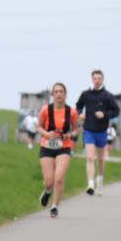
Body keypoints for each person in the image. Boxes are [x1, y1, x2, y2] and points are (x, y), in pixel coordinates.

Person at [75, 69, 120, 196]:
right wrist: (80, 114)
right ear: (92, 79)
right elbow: (78, 106)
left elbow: (116, 111)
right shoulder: (85, 94)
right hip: (88, 129)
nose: (97, 80)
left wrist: (104, 114)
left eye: (99, 78)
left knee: (100, 159)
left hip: (101, 131)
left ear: (102, 80)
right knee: (90, 157)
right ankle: (90, 184)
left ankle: (99, 181)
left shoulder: (107, 96)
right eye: (95, 78)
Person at [37, 83, 79, 218]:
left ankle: (54, 206)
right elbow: (38, 127)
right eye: (56, 92)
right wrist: (47, 134)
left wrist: (70, 135)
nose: (59, 94)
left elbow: (75, 129)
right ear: (53, 95)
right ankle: (47, 192)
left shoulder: (71, 111)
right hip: (47, 147)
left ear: (65, 94)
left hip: (64, 147)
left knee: (59, 178)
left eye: (61, 91)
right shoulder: (45, 110)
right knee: (49, 181)